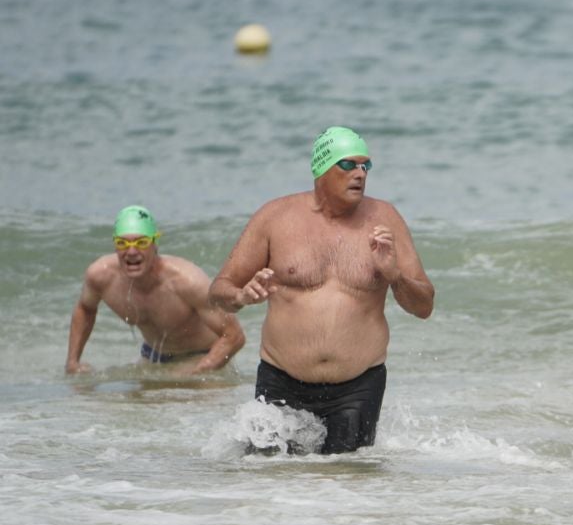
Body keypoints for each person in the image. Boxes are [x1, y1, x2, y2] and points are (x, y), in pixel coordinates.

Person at [209, 126, 434, 454]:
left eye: (365, 166)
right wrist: (242, 297)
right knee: (266, 489)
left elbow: (424, 306)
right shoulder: (276, 217)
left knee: (345, 489)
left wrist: (394, 274)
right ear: (321, 168)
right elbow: (218, 291)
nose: (360, 174)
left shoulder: (385, 220)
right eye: (349, 165)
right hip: (281, 381)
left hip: (357, 392)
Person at [66, 205, 245, 376]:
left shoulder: (187, 281)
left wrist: (197, 372)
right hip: (152, 357)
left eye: (141, 242)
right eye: (122, 243)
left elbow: (234, 336)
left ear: (154, 244)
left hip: (202, 356)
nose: (131, 251)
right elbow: (85, 309)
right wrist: (72, 362)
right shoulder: (100, 276)